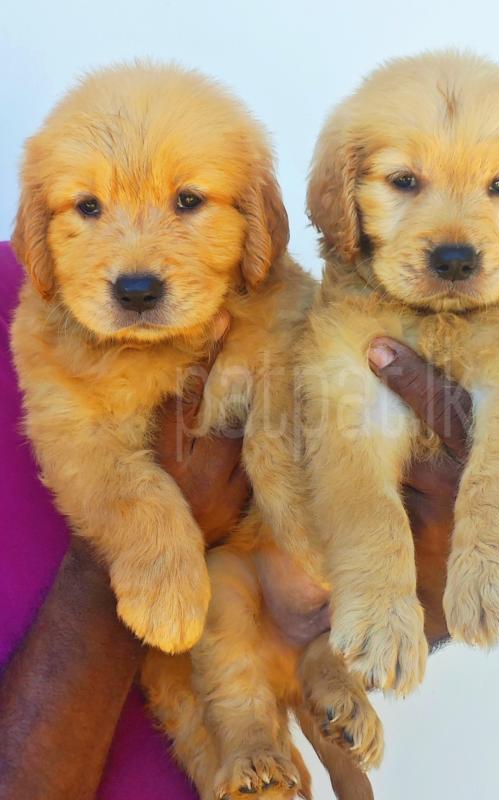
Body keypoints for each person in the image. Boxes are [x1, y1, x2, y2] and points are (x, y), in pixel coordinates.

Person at [0, 241, 470, 799]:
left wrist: (426, 579)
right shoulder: (47, 307)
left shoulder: (35, 267)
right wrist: (136, 549)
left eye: (188, 199)